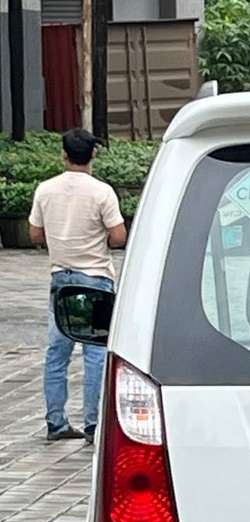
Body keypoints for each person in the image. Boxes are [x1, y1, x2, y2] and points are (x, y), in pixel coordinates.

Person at [29, 128, 126, 443]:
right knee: (95, 351)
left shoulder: (45, 190)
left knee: (57, 351)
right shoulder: (102, 192)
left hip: (61, 278)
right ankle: (94, 423)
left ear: (63, 154)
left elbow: (34, 235)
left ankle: (56, 422)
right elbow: (119, 236)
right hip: (95, 278)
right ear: (93, 155)